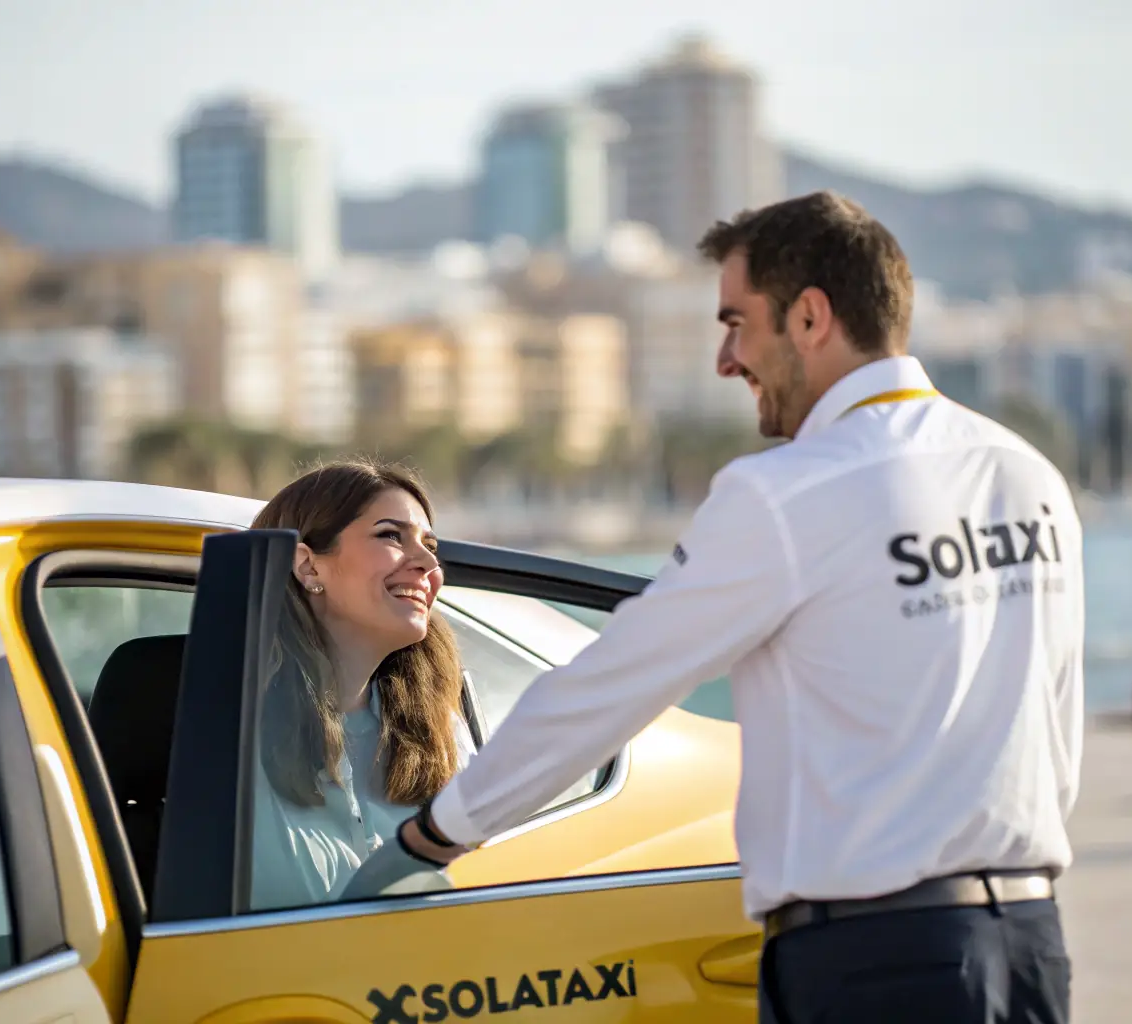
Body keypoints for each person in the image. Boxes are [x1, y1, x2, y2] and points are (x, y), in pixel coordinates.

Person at [372, 191, 1083, 1023]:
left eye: (736, 322)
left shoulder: (785, 495)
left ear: (810, 317)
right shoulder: (1025, 473)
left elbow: (614, 682)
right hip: (1031, 945)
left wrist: (438, 832)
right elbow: (1055, 718)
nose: (726, 359)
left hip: (877, 962)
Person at [247, 459, 475, 910]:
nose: (429, 563)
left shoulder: (442, 733)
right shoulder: (235, 732)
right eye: (391, 535)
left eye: (429, 545)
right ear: (308, 566)